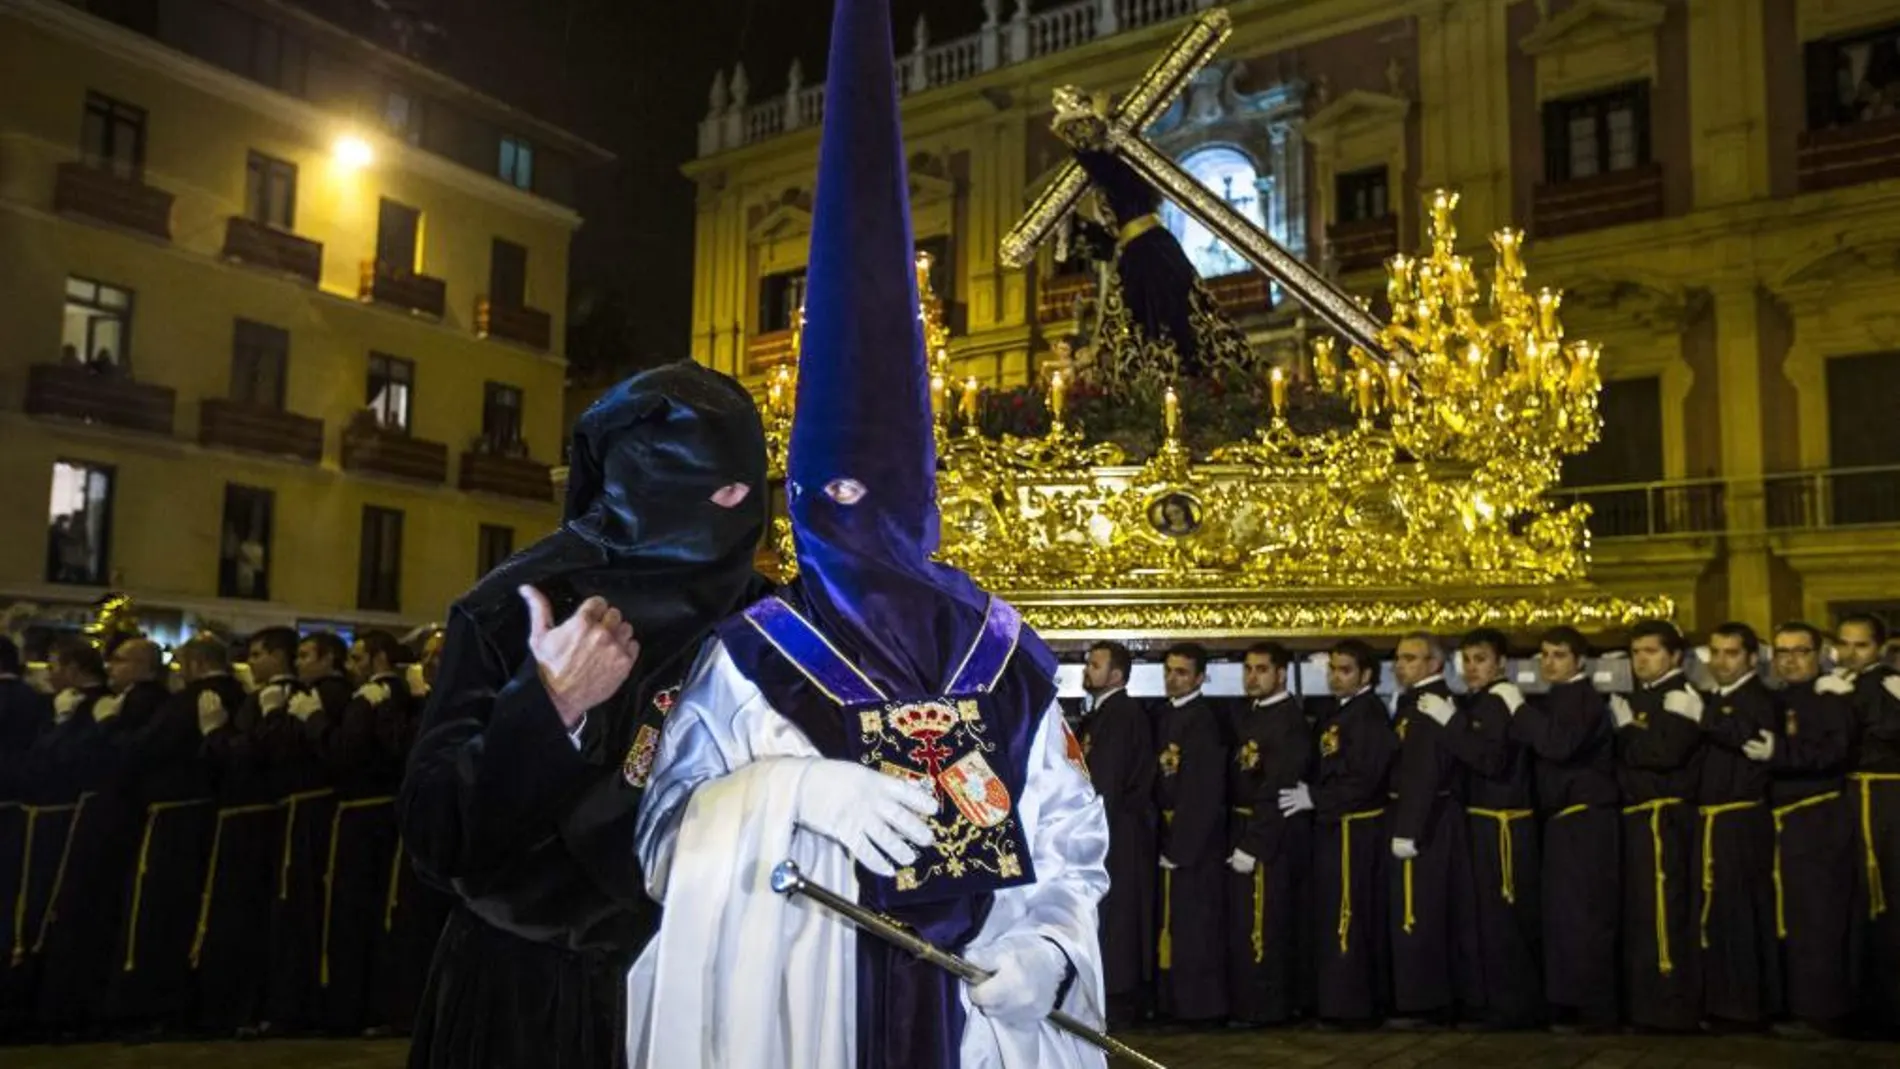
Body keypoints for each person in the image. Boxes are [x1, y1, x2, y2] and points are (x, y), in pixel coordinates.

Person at [627, 4, 1109, 1064]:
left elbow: (1072, 841)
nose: (850, 509)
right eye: (826, 489)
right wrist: (789, 793)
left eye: (873, 487)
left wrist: (1050, 949)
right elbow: (663, 839)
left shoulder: (1004, 655)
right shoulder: (749, 659)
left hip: (978, 1026)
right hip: (807, 1019)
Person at [399, 360, 770, 1069]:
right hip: (536, 1001)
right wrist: (549, 706)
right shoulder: (513, 607)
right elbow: (436, 834)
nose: (735, 506)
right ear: (641, 490)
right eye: (710, 489)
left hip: (715, 991)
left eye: (746, 488)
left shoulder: (769, 620)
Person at [1746, 622, 1856, 1038]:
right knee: (1786, 916)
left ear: (1819, 653)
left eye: (1800, 651)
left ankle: (1821, 1011)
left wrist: (1781, 752)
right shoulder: (1775, 698)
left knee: (1818, 916)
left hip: (1817, 818)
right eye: (1782, 652)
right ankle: (1791, 1004)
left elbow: (1833, 751)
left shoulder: (1830, 698)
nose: (1790, 660)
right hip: (1780, 820)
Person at [1428, 629, 1540, 1029]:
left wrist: (1451, 724)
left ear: (1501, 663)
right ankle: (1491, 1000)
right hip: (1480, 821)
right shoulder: (1478, 701)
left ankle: (1513, 1008)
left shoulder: (1497, 701)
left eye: (1481, 659)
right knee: (1482, 917)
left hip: (1501, 824)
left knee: (1502, 917)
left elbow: (1491, 760)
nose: (1471, 668)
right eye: (1467, 660)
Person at [1509, 626, 1618, 1032]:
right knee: (1563, 916)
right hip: (1562, 821)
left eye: (1559, 655)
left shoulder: (1583, 699)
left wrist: (1519, 710)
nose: (1549, 663)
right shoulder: (1558, 697)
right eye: (1544, 655)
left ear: (1579, 660)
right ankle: (1569, 1000)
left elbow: (1559, 745)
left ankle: (1591, 1007)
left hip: (1584, 819)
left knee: (1584, 914)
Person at [1284, 639, 1397, 1027]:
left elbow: (1365, 780)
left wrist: (1316, 797)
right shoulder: (1341, 711)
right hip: (1336, 828)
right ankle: (1334, 1000)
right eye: (1332, 669)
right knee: (1332, 911)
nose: (1335, 677)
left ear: (1366, 675)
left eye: (1345, 670)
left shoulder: (1369, 716)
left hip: (1355, 831)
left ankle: (1352, 1007)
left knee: (1350, 913)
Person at [1611, 619, 1704, 1032]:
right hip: (1637, 816)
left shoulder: (1679, 695)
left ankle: (1670, 1007)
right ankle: (1645, 1004)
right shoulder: (1639, 695)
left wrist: (1626, 732)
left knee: (1665, 910)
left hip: (1664, 818)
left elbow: (1664, 753)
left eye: (1650, 651)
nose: (1641, 660)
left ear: (1675, 655)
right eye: (1636, 653)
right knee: (1641, 913)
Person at [1384, 633, 1478, 1028]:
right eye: (1398, 658)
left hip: (1427, 819)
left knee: (1422, 908)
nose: (1400, 665)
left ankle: (1427, 1001)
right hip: (1418, 813)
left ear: (1435, 664)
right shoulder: (1412, 701)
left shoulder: (1430, 703)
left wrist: (1409, 828)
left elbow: (1424, 769)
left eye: (1411, 658)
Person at [1692, 623, 1778, 1030]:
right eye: (1715, 652)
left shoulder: (1758, 698)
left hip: (1740, 819)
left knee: (1740, 912)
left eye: (1731, 653)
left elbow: (1752, 738)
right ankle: (1721, 1001)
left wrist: (1703, 717)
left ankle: (1744, 1007)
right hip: (1713, 818)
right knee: (1717, 912)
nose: (1720, 662)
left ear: (1752, 658)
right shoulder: (1716, 698)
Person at [1225, 641, 1312, 1027]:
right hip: (1246, 826)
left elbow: (1278, 786)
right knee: (1247, 922)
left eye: (1261, 669)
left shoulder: (1289, 722)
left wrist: (1254, 844)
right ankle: (1250, 1003)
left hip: (1271, 837)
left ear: (1281, 674)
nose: (1252, 677)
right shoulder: (1250, 714)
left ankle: (1267, 1008)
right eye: (1248, 669)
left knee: (1266, 923)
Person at [1077, 640, 1154, 1028]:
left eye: (1095, 665)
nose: (1087, 670)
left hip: (1114, 831)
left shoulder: (1122, 716)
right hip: (1105, 826)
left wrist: (1086, 829)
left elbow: (1106, 781)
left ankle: (1119, 998)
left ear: (1117, 675)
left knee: (1118, 915)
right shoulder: (1102, 714)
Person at [1152, 642, 1230, 1025]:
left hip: (1194, 842)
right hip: (1167, 832)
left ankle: (1199, 1008)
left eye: (1182, 672)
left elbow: (1203, 790)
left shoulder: (1204, 722)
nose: (1173, 678)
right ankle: (1171, 1002)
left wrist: (1180, 847)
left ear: (1200, 678)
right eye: (1169, 671)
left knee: (1196, 925)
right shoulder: (1163, 715)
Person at [1834, 613, 1900, 1032]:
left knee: (1884, 895)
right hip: (1855, 795)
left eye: (1861, 645)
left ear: (1879, 648)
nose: (1851, 653)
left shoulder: (1883, 684)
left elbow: (1883, 731)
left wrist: (1846, 704)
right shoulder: (1846, 683)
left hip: (1883, 798)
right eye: (1844, 644)